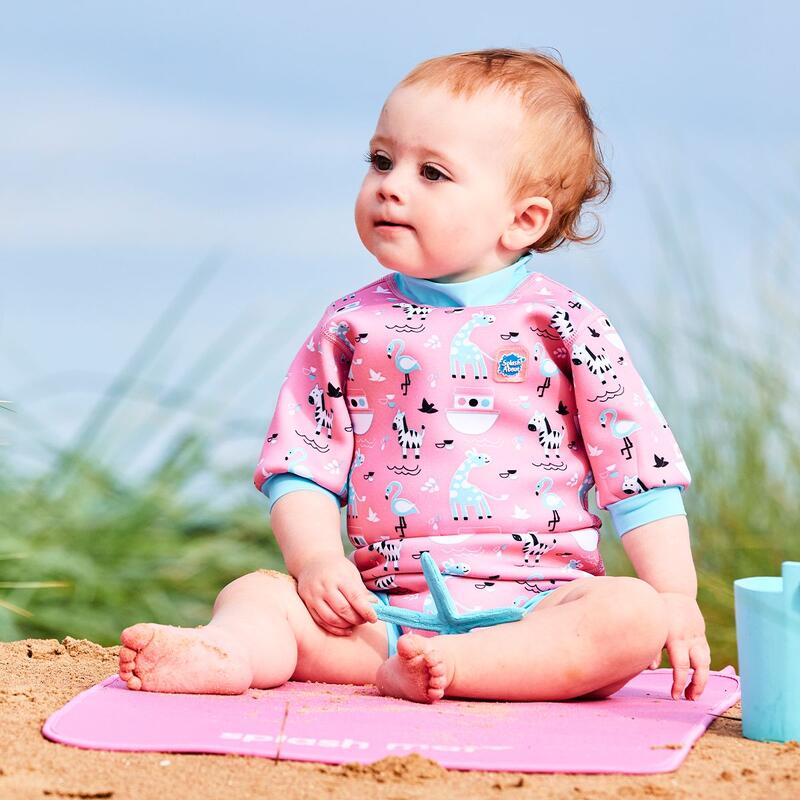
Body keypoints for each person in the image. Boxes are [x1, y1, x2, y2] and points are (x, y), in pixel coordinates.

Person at [118, 48, 710, 704]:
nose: (391, 185)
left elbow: (638, 473)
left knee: (631, 616)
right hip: (381, 621)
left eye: (432, 172)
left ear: (523, 219)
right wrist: (316, 563)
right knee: (257, 593)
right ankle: (227, 652)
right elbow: (300, 466)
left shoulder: (566, 323)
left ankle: (462, 667)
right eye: (380, 160)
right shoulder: (350, 326)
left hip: (540, 618)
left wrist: (676, 596)